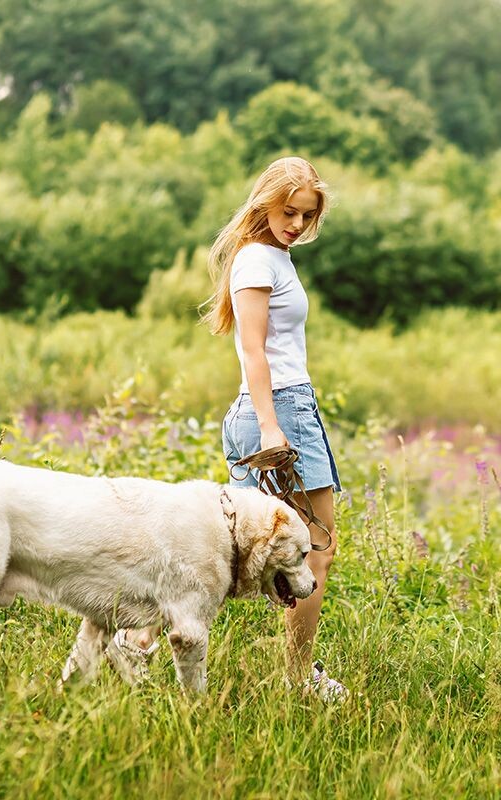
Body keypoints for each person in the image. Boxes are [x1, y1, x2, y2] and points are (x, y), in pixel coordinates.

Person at [107, 156, 347, 700]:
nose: (296, 224)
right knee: (315, 548)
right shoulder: (257, 260)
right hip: (277, 412)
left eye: (306, 216)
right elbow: (253, 350)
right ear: (264, 202)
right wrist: (269, 427)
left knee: (225, 550)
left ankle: (135, 639)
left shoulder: (273, 257)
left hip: (286, 407)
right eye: (288, 212)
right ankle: (296, 678)